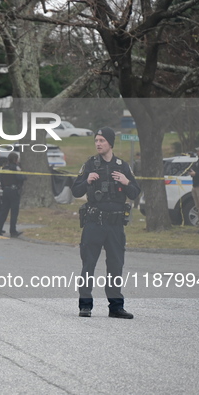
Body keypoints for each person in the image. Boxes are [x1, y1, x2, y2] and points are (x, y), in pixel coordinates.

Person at [71, 127, 141, 319]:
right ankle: (85, 305)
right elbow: (75, 190)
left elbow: (135, 192)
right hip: (94, 222)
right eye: (96, 140)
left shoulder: (123, 165)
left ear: (110, 143)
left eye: (101, 140)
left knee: (116, 265)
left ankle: (116, 307)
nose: (98, 144)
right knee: (88, 264)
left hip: (116, 225)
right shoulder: (90, 164)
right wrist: (87, 181)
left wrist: (127, 182)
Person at [0, 152, 26, 237]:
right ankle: (13, 231)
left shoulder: (5, 167)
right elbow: (21, 177)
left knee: (3, 210)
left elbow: (0, 177)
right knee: (14, 212)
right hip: (14, 190)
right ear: (15, 160)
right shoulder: (15, 168)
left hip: (6, 190)